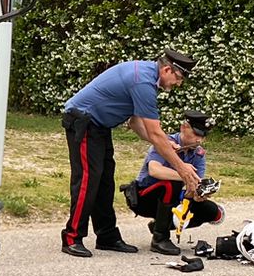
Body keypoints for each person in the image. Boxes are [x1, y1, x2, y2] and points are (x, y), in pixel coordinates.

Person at [58, 52, 200, 257]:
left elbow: (136, 123)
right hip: (84, 123)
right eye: (178, 78)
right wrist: (181, 168)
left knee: (105, 182)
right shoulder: (143, 82)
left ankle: (107, 236)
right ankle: (72, 237)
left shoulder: (146, 75)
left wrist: (163, 143)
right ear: (167, 70)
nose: (177, 84)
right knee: (87, 181)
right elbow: (154, 132)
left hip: (98, 127)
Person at [125, 111, 224, 254]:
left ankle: (162, 225)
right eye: (196, 134)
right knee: (172, 183)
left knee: (211, 211)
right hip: (144, 198)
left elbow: (191, 188)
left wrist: (196, 195)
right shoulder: (165, 141)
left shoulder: (198, 153)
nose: (199, 140)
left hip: (173, 201)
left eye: (203, 136)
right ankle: (160, 239)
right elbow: (154, 170)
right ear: (184, 127)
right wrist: (184, 173)